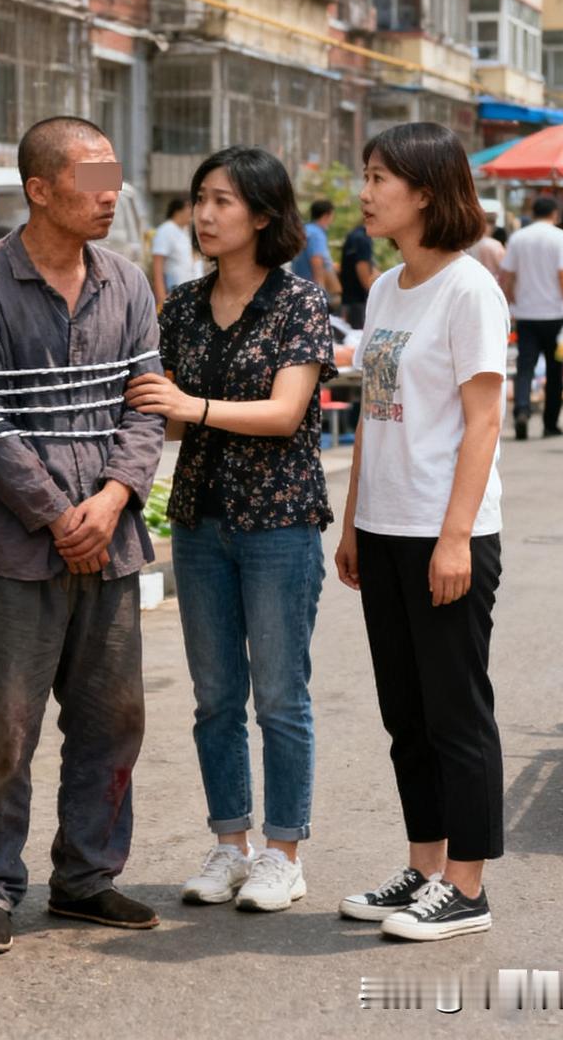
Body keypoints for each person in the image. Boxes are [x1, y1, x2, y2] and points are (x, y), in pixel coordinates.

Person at [0, 115, 164, 956]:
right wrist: (59, 514)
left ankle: (87, 878)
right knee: (1, 723)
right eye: (91, 178)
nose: (110, 195)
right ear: (39, 189)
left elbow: (147, 406)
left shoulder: (129, 283)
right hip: (15, 543)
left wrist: (109, 501)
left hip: (112, 537)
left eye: (114, 177)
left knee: (113, 719)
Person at [126, 147, 334, 914]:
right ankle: (229, 843)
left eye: (222, 201)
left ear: (263, 215)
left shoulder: (299, 305)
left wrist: (191, 406)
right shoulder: (179, 306)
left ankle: (284, 852)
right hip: (201, 520)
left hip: (279, 521)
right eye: (200, 199)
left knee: (280, 696)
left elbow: (284, 414)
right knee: (215, 696)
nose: (205, 215)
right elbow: (162, 415)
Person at [334, 122, 509, 942]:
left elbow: (482, 424)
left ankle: (468, 890)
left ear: (427, 192)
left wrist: (455, 537)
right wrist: (354, 521)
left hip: (448, 531)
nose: (365, 192)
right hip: (385, 524)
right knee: (406, 713)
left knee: (456, 713)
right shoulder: (387, 288)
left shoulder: (469, 289)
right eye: (364, 176)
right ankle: (425, 867)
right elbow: (374, 414)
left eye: (378, 178)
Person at [500, 195, 563, 440]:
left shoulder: (518, 237)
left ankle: (522, 410)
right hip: (554, 313)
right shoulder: (561, 237)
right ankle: (550, 423)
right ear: (555, 213)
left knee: (525, 366)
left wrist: (511, 299)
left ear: (533, 212)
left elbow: (507, 275)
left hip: (526, 313)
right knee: (555, 370)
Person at [152, 198, 200, 304]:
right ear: (178, 211)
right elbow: (157, 264)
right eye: (189, 209)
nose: (191, 214)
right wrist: (161, 296)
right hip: (173, 291)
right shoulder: (165, 231)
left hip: (189, 292)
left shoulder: (184, 231)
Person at [292, 199, 341, 300]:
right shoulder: (316, 234)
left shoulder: (306, 229)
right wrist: (320, 289)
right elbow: (316, 260)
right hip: (311, 289)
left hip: (300, 285)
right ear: (326, 215)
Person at [339, 218, 378, 329]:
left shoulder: (353, 235)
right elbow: (362, 267)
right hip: (358, 299)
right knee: (356, 335)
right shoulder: (363, 239)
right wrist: (374, 293)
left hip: (348, 296)